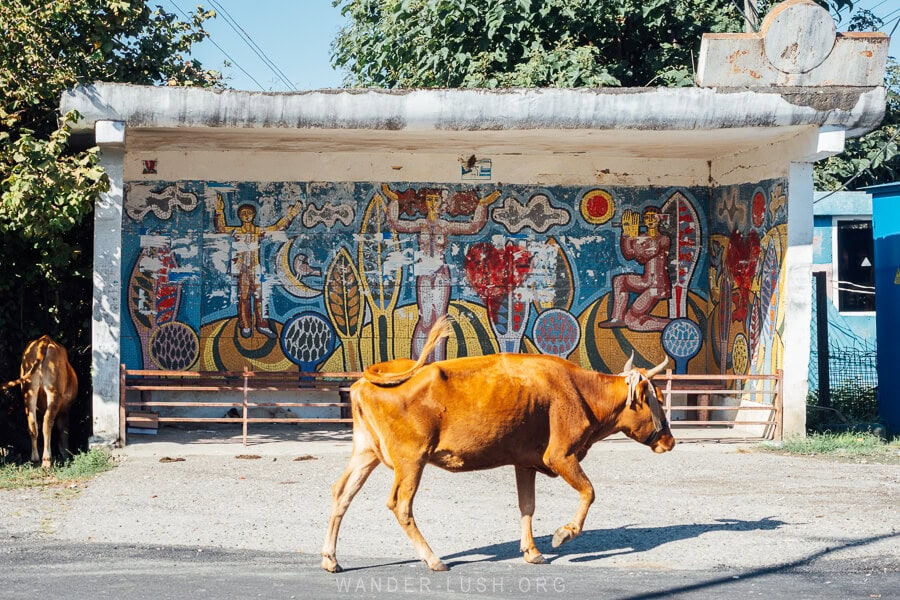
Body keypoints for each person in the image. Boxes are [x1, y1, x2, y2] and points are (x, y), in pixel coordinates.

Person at [382, 184, 500, 359]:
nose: (432, 203)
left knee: (439, 319)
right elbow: (396, 223)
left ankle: (437, 362)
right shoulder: (421, 224)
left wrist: (482, 205)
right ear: (424, 202)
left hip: (440, 274)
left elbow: (473, 227)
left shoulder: (445, 226)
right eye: (429, 199)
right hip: (424, 275)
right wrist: (394, 200)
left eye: (436, 199)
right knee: (426, 319)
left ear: (442, 202)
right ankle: (419, 360)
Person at [215, 194, 301, 338]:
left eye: (249, 212)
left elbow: (277, 227)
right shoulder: (237, 231)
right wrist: (220, 210)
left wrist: (290, 215)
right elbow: (221, 228)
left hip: (255, 268)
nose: (246, 215)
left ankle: (262, 325)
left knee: (260, 296)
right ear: (240, 216)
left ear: (254, 215)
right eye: (243, 213)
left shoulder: (257, 231)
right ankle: (246, 325)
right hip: (241, 268)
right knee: (243, 297)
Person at [599, 205, 671, 332]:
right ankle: (617, 318)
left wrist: (632, 237)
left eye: (653, 216)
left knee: (631, 321)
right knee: (619, 280)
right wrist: (626, 234)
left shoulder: (663, 239)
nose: (650, 220)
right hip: (646, 280)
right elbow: (628, 253)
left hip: (656, 286)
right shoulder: (642, 237)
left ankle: (669, 325)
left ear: (659, 218)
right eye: (647, 217)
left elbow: (643, 256)